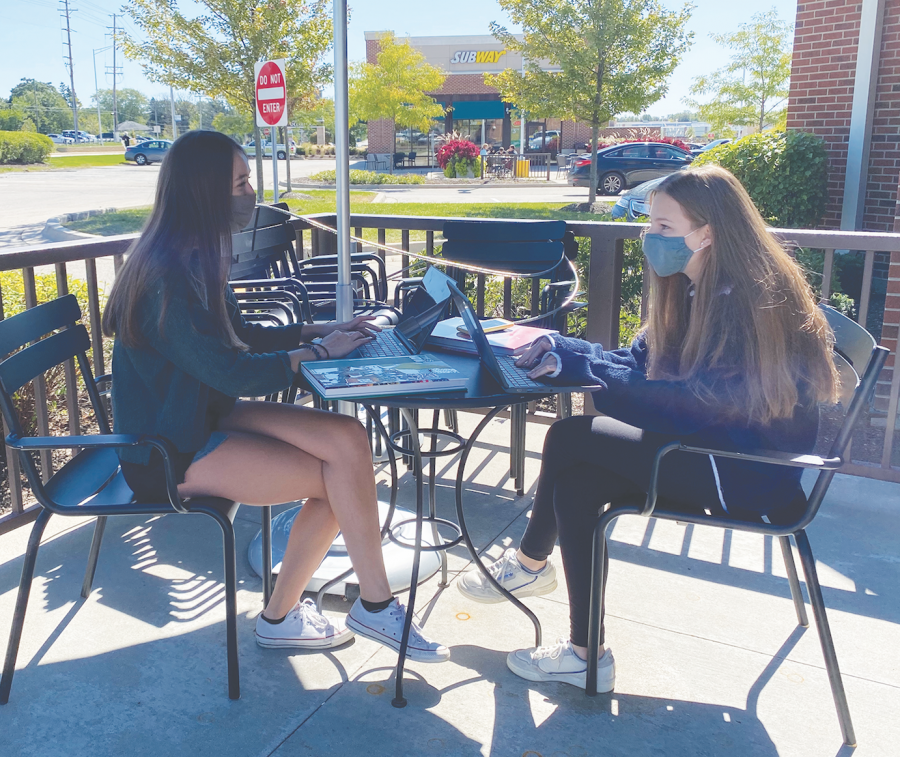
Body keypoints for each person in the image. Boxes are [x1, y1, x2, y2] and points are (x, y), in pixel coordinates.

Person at [458, 164, 839, 691]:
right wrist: (566, 351)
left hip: (747, 477)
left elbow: (688, 408)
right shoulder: (700, 288)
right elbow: (639, 362)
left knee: (569, 437)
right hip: (711, 451)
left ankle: (528, 562)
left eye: (663, 227)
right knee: (577, 481)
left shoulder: (746, 307)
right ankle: (586, 654)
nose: (649, 238)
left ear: (706, 234)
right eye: (649, 223)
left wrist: (581, 374)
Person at [101, 130, 448, 663]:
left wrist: (322, 332)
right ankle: (343, 611)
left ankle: (306, 615)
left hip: (205, 414)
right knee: (342, 484)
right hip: (167, 447)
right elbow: (235, 371)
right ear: (203, 193)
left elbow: (243, 339)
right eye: (240, 182)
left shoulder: (192, 257)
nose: (250, 194)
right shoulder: (164, 278)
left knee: (348, 438)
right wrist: (324, 355)